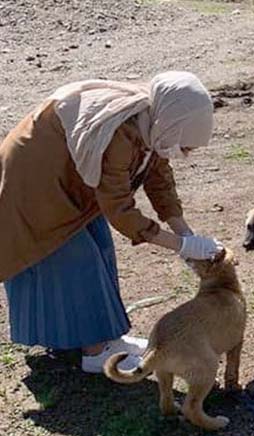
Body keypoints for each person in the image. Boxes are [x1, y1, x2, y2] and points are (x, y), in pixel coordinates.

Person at [0, 71, 223, 373]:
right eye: (185, 146)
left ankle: (105, 340)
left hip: (67, 179)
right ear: (172, 125)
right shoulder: (119, 134)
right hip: (36, 183)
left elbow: (159, 181)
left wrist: (186, 234)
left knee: (99, 248)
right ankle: (94, 353)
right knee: (75, 260)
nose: (184, 153)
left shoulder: (153, 123)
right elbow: (120, 209)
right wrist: (181, 245)